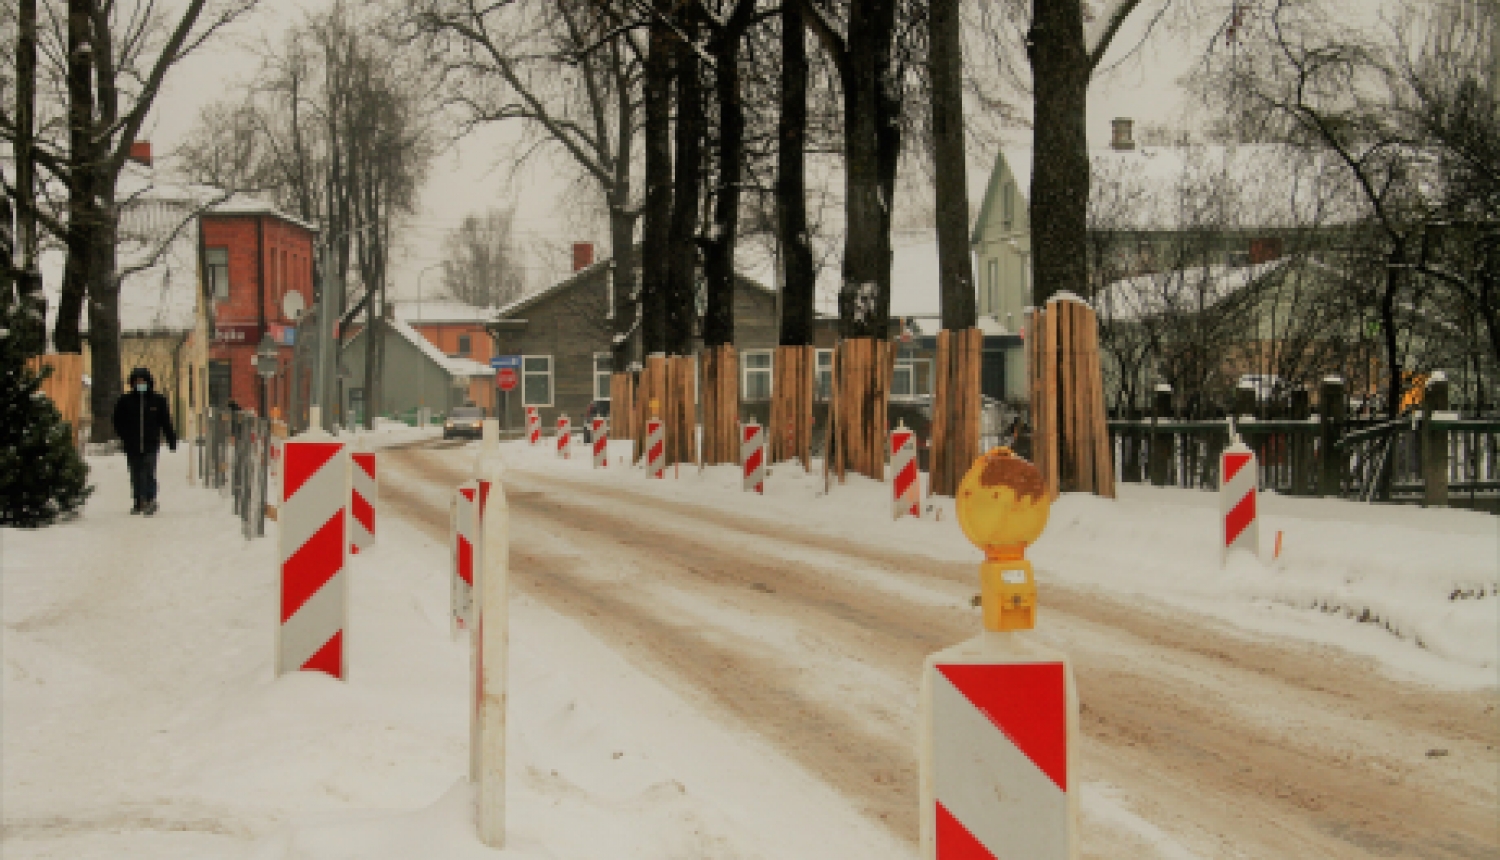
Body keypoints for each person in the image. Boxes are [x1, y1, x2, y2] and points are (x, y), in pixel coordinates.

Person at [112, 367, 177, 515]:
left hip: (150, 443)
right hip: (132, 444)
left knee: (148, 471)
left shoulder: (158, 401)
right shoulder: (125, 401)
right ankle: (138, 500)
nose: (140, 384)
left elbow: (165, 421)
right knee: (135, 472)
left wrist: (171, 439)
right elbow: (117, 421)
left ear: (148, 382)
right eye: (137, 381)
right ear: (132, 383)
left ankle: (150, 499)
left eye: (142, 381)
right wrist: (124, 436)